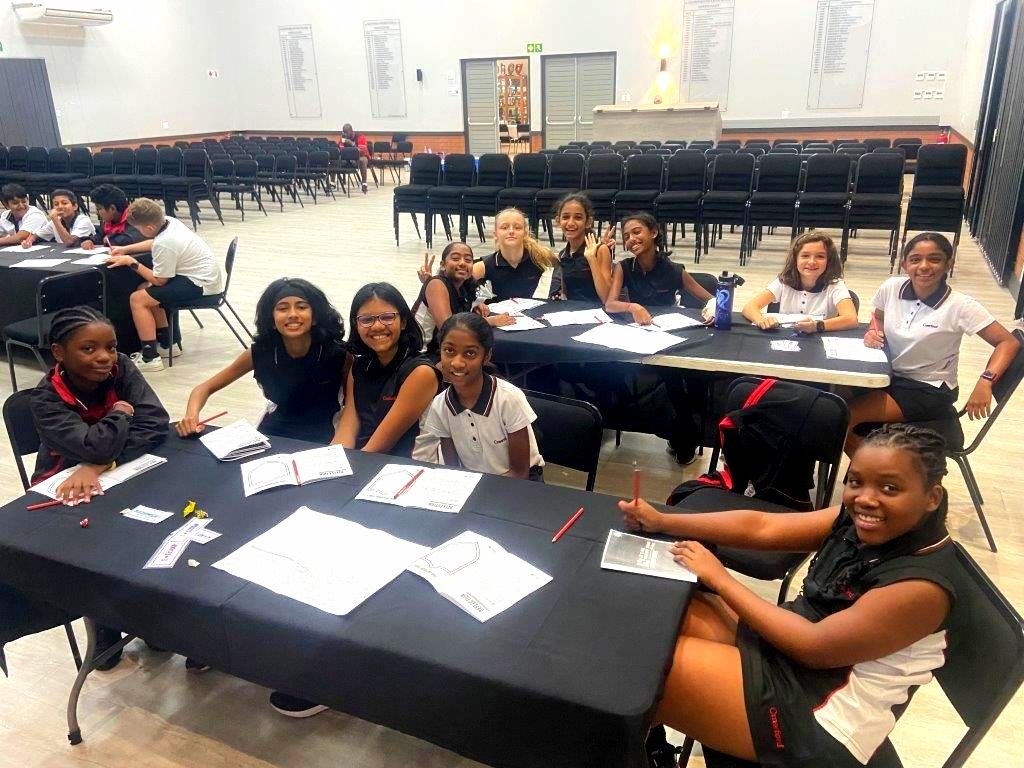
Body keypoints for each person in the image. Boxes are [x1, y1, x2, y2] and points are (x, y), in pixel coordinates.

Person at [620, 423, 965, 767]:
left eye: (890, 488)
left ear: (932, 498)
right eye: (856, 481)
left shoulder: (922, 587)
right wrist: (663, 521)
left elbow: (814, 647)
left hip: (822, 717)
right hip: (792, 658)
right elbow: (763, 527)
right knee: (660, 616)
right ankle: (650, 751)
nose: (866, 498)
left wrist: (720, 578)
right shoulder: (862, 520)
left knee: (643, 665)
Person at [29, 305, 169, 670]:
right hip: (62, 481)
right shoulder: (45, 397)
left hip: (111, 469)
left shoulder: (121, 365)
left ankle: (151, 616)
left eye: (110, 346)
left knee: (148, 531)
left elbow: (155, 422)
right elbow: (93, 444)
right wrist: (121, 414)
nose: (105, 357)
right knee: (94, 549)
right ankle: (103, 619)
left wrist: (97, 462)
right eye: (88, 349)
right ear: (59, 353)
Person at [846, 232, 1019, 455]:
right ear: (904, 264)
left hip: (927, 389)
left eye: (935, 259)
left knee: (842, 415)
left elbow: (1008, 342)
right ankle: (873, 475)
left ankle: (880, 478)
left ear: (949, 263)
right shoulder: (891, 287)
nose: (924, 266)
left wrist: (986, 381)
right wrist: (873, 331)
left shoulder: (961, 305)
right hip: (889, 376)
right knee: (835, 395)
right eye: (916, 259)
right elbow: (878, 316)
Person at [177, 279, 348, 443]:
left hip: (325, 431)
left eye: (302, 307)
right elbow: (204, 388)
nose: (293, 315)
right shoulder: (260, 352)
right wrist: (191, 416)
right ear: (272, 320)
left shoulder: (339, 354)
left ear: (315, 316)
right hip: (275, 430)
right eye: (282, 309)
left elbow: (352, 409)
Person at [104, 198, 224, 372]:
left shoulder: (166, 242)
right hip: (203, 277)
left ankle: (150, 357)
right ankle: (169, 343)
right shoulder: (169, 222)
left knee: (138, 299)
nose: (137, 232)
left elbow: (160, 280)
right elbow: (154, 243)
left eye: (138, 229)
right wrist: (125, 249)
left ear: (149, 228)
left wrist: (130, 262)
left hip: (201, 285)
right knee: (144, 290)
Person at [423, 312, 544, 480]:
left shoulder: (508, 398)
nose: (457, 362)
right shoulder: (440, 405)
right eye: (449, 350)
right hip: (473, 484)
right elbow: (452, 471)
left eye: (470, 353)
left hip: (520, 484)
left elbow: (519, 473)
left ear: (486, 357)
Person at [331, 282, 441, 459]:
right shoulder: (359, 366)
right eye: (367, 320)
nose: (377, 326)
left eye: (387, 317)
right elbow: (348, 427)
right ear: (356, 325)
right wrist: (332, 461)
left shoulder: (420, 372)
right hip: (363, 457)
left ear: (403, 321)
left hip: (400, 464)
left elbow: (382, 444)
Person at [604, 212, 714, 324]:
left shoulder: (673, 269)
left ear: (653, 232)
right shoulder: (623, 267)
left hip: (668, 326)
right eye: (626, 237)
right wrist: (634, 307)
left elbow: (712, 300)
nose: (631, 239)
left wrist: (713, 312)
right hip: (640, 325)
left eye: (637, 232)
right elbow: (610, 304)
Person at [742, 232, 858, 333]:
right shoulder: (783, 282)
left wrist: (817, 326)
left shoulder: (835, 285)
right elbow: (749, 307)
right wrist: (762, 320)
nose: (812, 261)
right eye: (805, 256)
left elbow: (851, 319)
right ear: (795, 259)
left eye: (820, 256)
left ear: (829, 261)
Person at [413, 243, 513, 356]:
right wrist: (491, 321)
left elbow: (462, 312)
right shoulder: (436, 284)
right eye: (455, 258)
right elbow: (450, 328)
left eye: (468, 260)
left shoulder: (464, 288)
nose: (462, 263)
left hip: (447, 350)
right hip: (422, 355)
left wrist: (475, 306)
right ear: (443, 265)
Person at [549, 193, 613, 303]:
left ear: (588, 222)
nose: (570, 223)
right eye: (565, 217)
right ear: (558, 221)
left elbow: (607, 298)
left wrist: (591, 259)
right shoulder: (563, 254)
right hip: (571, 312)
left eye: (578, 217)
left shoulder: (600, 250)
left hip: (596, 313)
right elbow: (565, 293)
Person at [80, 184, 150, 250]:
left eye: (99, 209)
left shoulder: (134, 218)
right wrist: (90, 241)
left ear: (112, 208)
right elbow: (99, 236)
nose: (97, 212)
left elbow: (129, 239)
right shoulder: (109, 221)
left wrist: (109, 239)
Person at [20, 189, 94, 248]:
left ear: (75, 206)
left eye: (64, 203)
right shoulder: (56, 221)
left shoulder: (83, 220)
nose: (60, 207)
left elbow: (69, 241)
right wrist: (29, 241)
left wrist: (55, 219)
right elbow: (37, 235)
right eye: (56, 204)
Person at [0, 183, 47, 247]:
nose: (21, 206)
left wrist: (5, 239)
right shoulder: (5, 215)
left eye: (24, 201)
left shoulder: (35, 214)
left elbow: (21, 237)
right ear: (6, 205)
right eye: (15, 203)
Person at [340, 123, 369, 193]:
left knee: (363, 160)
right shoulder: (344, 138)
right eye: (343, 132)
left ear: (350, 131)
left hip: (359, 157)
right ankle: (332, 183)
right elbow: (340, 148)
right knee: (333, 160)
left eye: (345, 132)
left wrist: (352, 144)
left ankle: (364, 183)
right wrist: (343, 143)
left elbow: (362, 151)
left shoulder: (360, 137)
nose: (344, 134)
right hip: (347, 158)